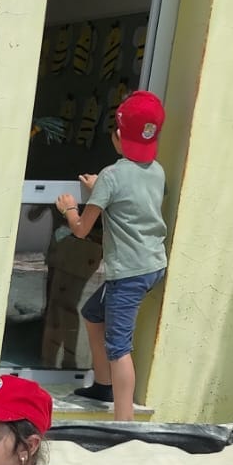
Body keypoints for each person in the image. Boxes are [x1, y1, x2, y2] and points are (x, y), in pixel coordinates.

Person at [56, 90, 168, 422]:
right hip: (152, 264)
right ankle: (103, 386)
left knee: (119, 348)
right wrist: (100, 191)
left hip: (128, 273)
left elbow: (81, 229)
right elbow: (132, 203)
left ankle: (124, 423)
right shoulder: (156, 170)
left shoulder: (111, 176)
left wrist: (69, 208)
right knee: (93, 313)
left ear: (117, 136)